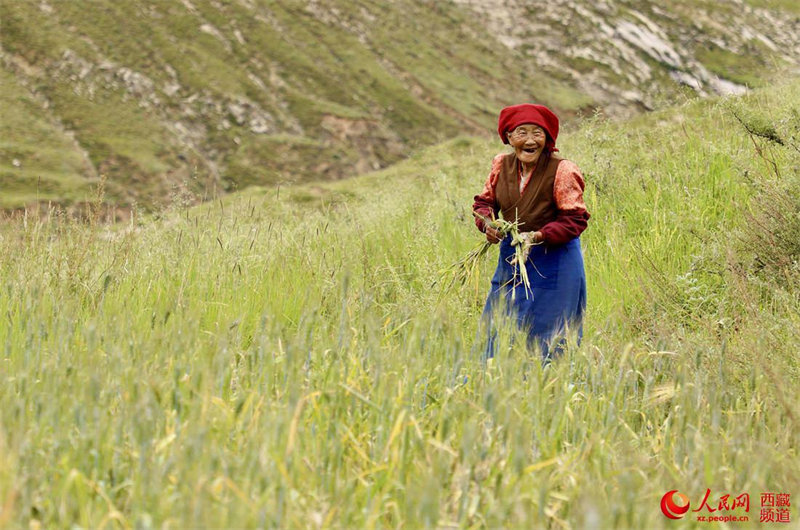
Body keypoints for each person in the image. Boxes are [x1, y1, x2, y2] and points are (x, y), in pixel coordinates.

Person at [473, 103, 590, 361]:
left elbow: (575, 220)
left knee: (549, 332)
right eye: (521, 132)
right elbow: (483, 203)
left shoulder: (563, 170)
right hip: (513, 258)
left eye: (537, 133)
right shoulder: (501, 165)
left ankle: (548, 382)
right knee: (500, 323)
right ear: (508, 137)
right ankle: (493, 377)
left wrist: (537, 236)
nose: (530, 140)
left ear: (547, 138)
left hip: (556, 260)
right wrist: (488, 224)